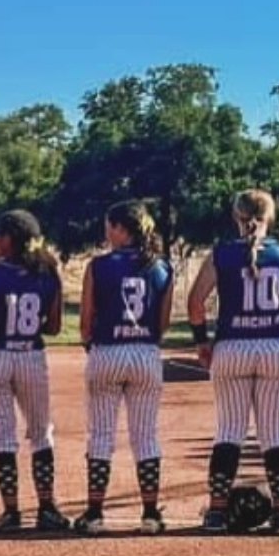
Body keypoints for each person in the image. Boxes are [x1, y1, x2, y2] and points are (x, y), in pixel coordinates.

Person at [188, 189, 279, 533]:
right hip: (276, 348)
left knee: (228, 430)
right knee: (275, 433)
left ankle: (216, 511)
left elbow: (196, 303)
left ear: (236, 217)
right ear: (270, 217)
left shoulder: (221, 254)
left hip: (232, 348)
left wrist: (202, 343)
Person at [75, 201, 174, 535]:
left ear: (120, 228)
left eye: (109, 226)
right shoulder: (160, 267)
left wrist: (91, 343)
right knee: (145, 436)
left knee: (101, 435)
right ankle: (149, 515)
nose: (106, 232)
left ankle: (94, 513)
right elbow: (162, 325)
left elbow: (86, 320)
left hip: (107, 352)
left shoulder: (99, 266)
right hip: (145, 352)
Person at [0, 209, 68, 532]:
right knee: (41, 432)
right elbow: (53, 327)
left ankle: (11, 511)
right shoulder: (49, 273)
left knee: (2, 434)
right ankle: (46, 507)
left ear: (8, 239)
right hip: (30, 356)